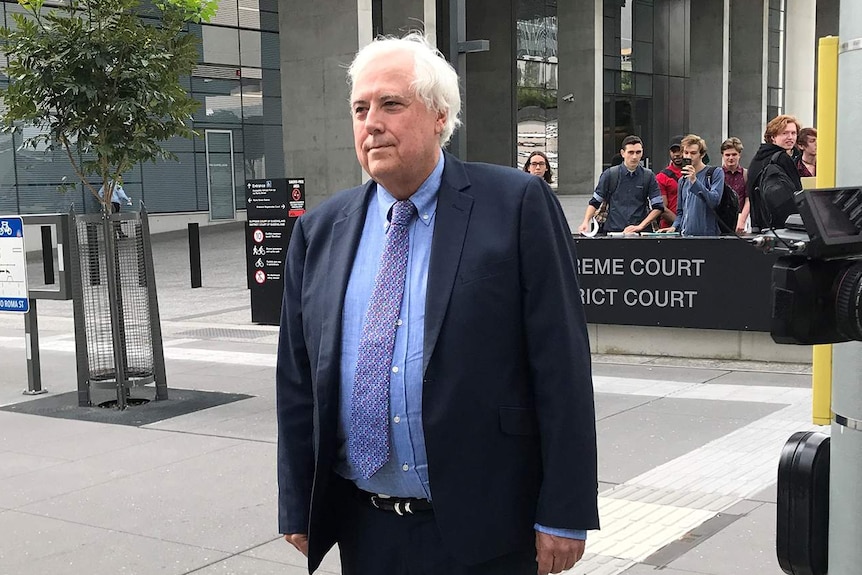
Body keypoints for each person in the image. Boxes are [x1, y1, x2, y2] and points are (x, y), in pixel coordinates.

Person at [276, 32, 599, 575]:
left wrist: (564, 512)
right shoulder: (319, 231)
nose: (371, 122)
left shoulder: (515, 205)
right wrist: (297, 502)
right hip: (366, 529)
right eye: (360, 108)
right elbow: (298, 379)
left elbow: (561, 364)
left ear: (439, 117)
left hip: (487, 529)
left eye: (391, 104)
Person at [577, 135, 663, 234]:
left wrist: (640, 226)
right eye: (630, 152)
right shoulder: (610, 174)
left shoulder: (648, 176)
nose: (634, 156)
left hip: (640, 233)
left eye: (638, 152)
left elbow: (658, 206)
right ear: (623, 153)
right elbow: (595, 201)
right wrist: (585, 222)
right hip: (613, 230)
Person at [744, 114, 803, 231]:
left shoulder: (758, 157)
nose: (790, 137)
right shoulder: (781, 158)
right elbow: (797, 192)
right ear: (773, 137)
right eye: (784, 133)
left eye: (793, 133)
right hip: (782, 224)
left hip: (759, 223)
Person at [660, 134, 723, 236]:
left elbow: (714, 201)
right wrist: (674, 227)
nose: (688, 156)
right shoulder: (682, 180)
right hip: (686, 236)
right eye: (686, 153)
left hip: (707, 236)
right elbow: (681, 211)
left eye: (693, 153)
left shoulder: (715, 172)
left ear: (701, 155)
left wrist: (694, 180)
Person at [720, 137, 748, 233]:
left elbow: (749, 199)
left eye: (734, 154)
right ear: (722, 156)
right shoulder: (717, 174)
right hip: (722, 219)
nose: (731, 158)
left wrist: (742, 220)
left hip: (741, 218)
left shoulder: (746, 174)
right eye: (727, 155)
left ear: (739, 155)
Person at [655, 135, 684, 228]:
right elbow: (662, 208)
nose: (676, 154)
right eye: (673, 151)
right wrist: (679, 224)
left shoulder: (696, 173)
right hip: (669, 227)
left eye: (680, 150)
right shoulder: (662, 177)